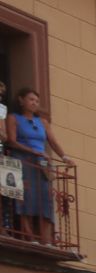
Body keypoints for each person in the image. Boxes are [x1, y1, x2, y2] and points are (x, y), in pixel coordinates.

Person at [4, 90, 64, 247]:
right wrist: (33, 151)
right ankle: (30, 237)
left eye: (37, 101)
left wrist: (65, 157)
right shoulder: (13, 118)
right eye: (31, 99)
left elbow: (53, 141)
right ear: (21, 100)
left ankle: (46, 239)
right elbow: (11, 141)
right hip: (23, 161)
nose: (34, 103)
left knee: (46, 198)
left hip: (42, 163)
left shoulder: (43, 122)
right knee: (26, 197)